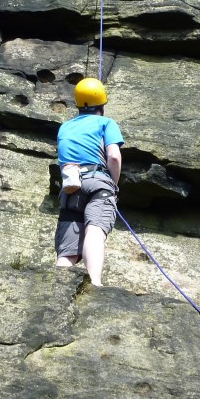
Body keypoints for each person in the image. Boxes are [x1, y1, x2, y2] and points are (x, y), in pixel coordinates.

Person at [55, 78, 123, 286]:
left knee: (67, 251)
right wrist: (113, 185)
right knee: (94, 230)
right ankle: (94, 283)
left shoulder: (64, 127)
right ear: (102, 104)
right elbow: (113, 157)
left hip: (70, 187)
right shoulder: (106, 123)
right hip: (97, 183)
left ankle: (58, 287)